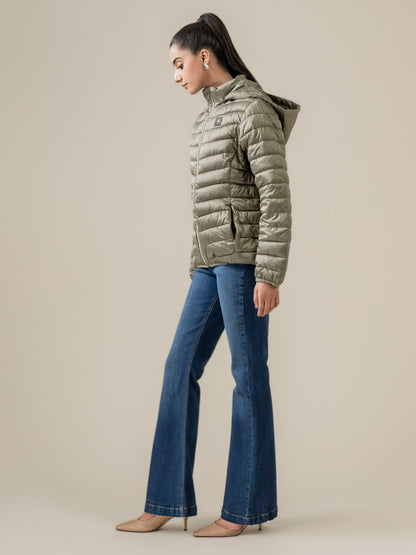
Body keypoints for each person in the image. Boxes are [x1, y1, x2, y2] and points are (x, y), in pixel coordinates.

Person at [116, 12, 300, 538]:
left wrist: (269, 273)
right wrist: (198, 263)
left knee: (248, 376)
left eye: (179, 64)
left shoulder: (253, 109)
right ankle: (164, 501)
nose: (175, 75)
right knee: (179, 367)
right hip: (209, 265)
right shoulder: (206, 119)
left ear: (204, 56)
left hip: (243, 266)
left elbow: (275, 197)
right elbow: (209, 206)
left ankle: (243, 509)